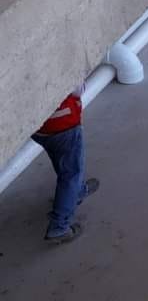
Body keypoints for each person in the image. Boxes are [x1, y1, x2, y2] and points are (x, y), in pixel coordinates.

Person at [32, 88, 99, 244]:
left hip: (41, 129)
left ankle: (79, 191)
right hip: (64, 125)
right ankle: (59, 227)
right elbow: (76, 89)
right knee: (71, 174)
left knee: (63, 162)